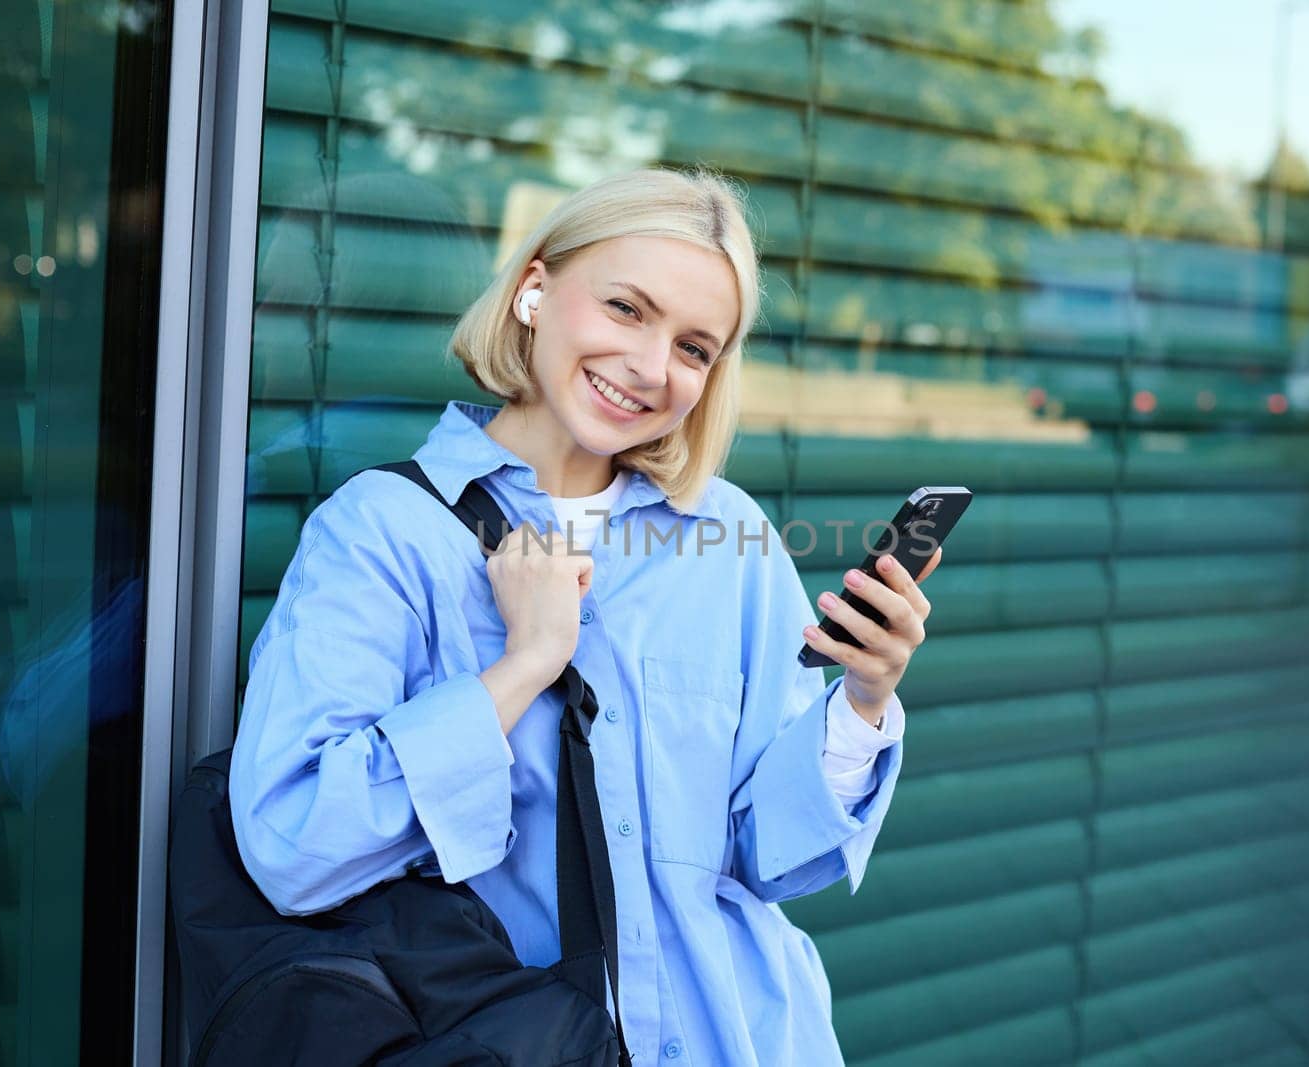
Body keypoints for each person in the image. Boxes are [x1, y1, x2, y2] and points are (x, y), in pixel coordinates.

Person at [228, 166, 942, 1066]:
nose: (651, 368)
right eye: (626, 309)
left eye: (694, 347)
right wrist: (523, 665)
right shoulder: (383, 534)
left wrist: (865, 697)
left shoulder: (730, 533)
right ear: (534, 287)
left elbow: (771, 860)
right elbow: (295, 846)